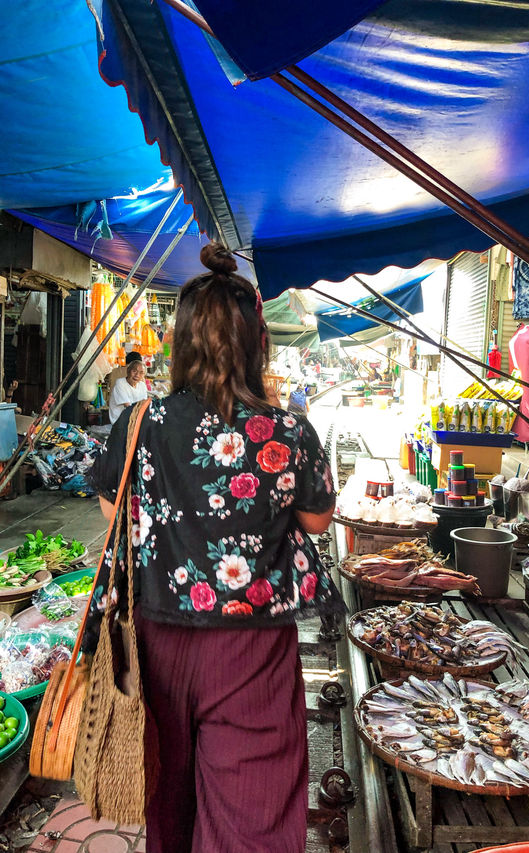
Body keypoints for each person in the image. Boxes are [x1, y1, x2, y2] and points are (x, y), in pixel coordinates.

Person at [87, 243, 344, 853]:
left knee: (166, 794)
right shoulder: (286, 429)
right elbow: (317, 518)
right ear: (259, 343)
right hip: (251, 648)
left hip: (159, 641)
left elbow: (108, 505)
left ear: (181, 343)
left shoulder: (141, 421)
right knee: (251, 810)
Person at [107, 359, 148, 424]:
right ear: (128, 371)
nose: (137, 375)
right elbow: (128, 407)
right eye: (134, 371)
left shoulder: (142, 385)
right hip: (120, 422)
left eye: (141, 373)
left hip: (134, 420)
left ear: (144, 375)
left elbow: (143, 405)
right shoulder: (120, 383)